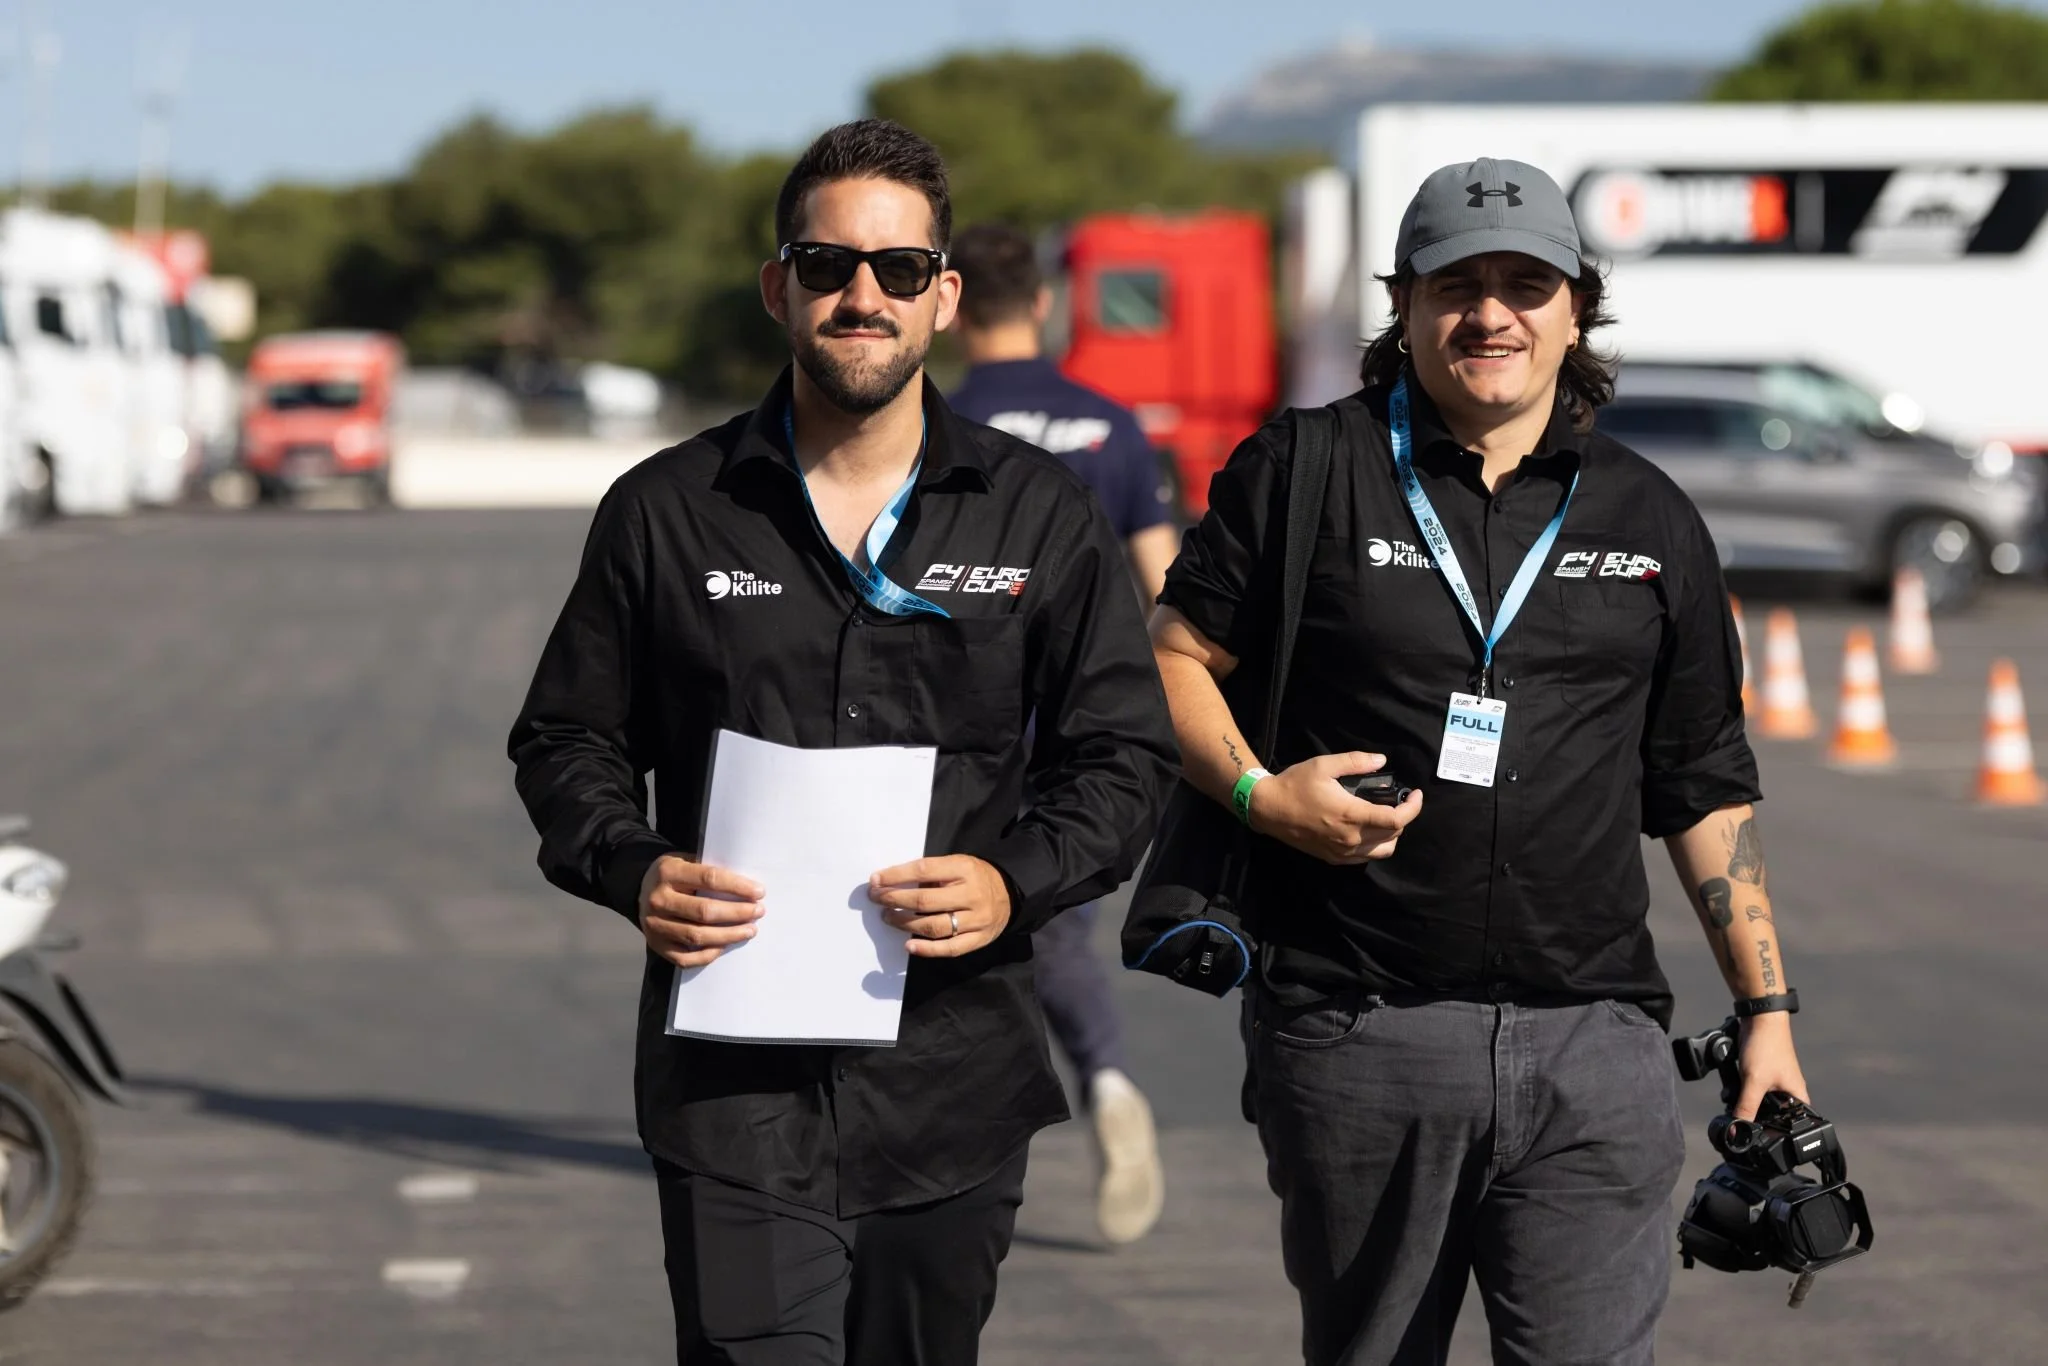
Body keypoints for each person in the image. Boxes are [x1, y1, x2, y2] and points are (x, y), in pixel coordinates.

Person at [507, 119, 1177, 1366]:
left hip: (955, 1091)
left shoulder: (1041, 512)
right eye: (827, 266)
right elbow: (564, 740)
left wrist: (1012, 880)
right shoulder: (665, 510)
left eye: (898, 270)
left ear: (945, 298)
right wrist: (632, 867)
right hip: (732, 1096)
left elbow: (1123, 756)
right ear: (779, 287)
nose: (861, 295)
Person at [1149, 157, 1814, 1366]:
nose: (1490, 312)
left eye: (1525, 283)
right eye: (1456, 282)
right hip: (1358, 1032)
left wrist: (1764, 1010)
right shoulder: (1304, 469)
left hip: (1593, 1046)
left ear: (1575, 310)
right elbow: (1170, 657)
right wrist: (1258, 793)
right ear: (1402, 304)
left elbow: (1702, 780)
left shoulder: (1651, 514)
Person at [947, 220, 1173, 1246]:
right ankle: (1108, 1078)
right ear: (1041, 302)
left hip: (956, 718)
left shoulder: (933, 422)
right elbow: (1167, 587)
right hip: (1083, 716)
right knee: (1052, 922)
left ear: (948, 306)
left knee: (945, 925)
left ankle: (948, 1142)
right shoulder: (1106, 425)